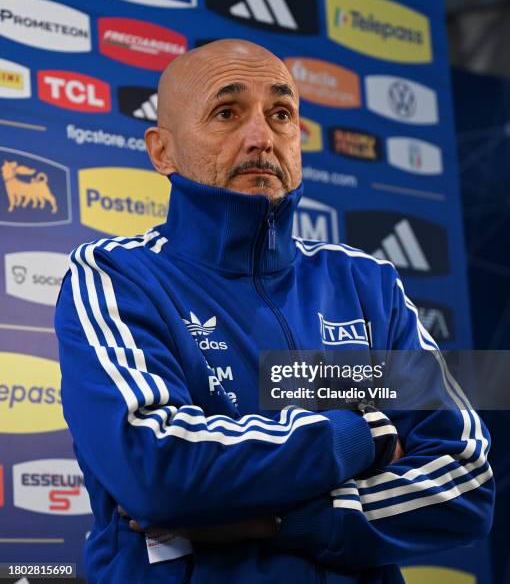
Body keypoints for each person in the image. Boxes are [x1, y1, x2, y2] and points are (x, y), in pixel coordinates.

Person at [54, 39, 494, 584]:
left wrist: (280, 522)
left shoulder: (363, 285)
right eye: (227, 112)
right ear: (161, 151)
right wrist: (361, 435)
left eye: (281, 114)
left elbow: (463, 480)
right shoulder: (118, 278)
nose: (261, 138)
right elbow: (157, 469)